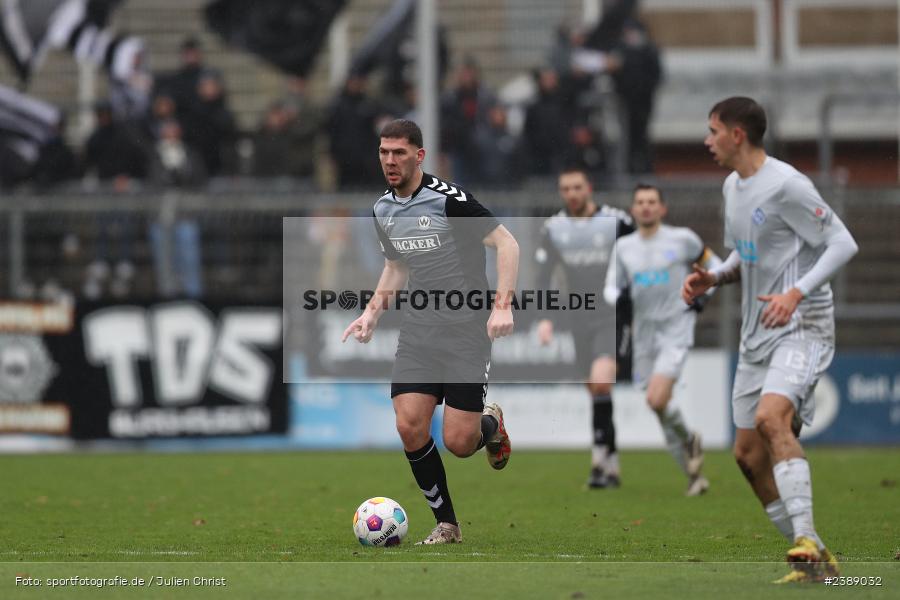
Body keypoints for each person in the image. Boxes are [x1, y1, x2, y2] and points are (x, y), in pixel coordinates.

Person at [683, 97, 858, 583]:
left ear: (737, 135)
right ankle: (817, 558)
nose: (707, 140)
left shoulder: (787, 184)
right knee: (746, 456)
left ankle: (804, 538)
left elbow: (843, 242)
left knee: (771, 418)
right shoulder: (732, 186)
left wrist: (796, 293)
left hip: (802, 323)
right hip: (758, 331)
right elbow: (745, 253)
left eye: (713, 130)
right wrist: (714, 278)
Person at [342, 119, 518, 545]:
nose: (390, 160)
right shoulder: (383, 209)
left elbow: (507, 243)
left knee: (459, 442)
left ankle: (488, 427)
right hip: (419, 332)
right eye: (384, 152)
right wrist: (371, 314)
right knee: (409, 425)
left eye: (398, 152)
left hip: (464, 332)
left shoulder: (449, 201)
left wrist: (501, 307)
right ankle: (448, 525)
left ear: (418, 156)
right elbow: (396, 267)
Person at [604, 184, 719, 496]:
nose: (646, 207)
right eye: (640, 202)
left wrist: (702, 298)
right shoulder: (624, 247)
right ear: (633, 209)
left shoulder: (683, 240)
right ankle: (694, 476)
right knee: (659, 407)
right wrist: (620, 296)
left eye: (652, 202)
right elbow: (610, 288)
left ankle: (690, 439)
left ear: (662, 208)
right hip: (643, 334)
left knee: (656, 399)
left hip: (675, 329)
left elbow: (716, 267)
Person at [535, 165, 633, 488]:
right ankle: (613, 462)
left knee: (602, 382)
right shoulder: (554, 228)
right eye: (565, 189)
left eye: (577, 187)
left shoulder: (617, 221)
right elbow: (543, 276)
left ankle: (598, 464)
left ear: (588, 187)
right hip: (579, 317)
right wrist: (545, 318)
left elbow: (640, 254)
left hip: (612, 316)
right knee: (594, 390)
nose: (571, 194)